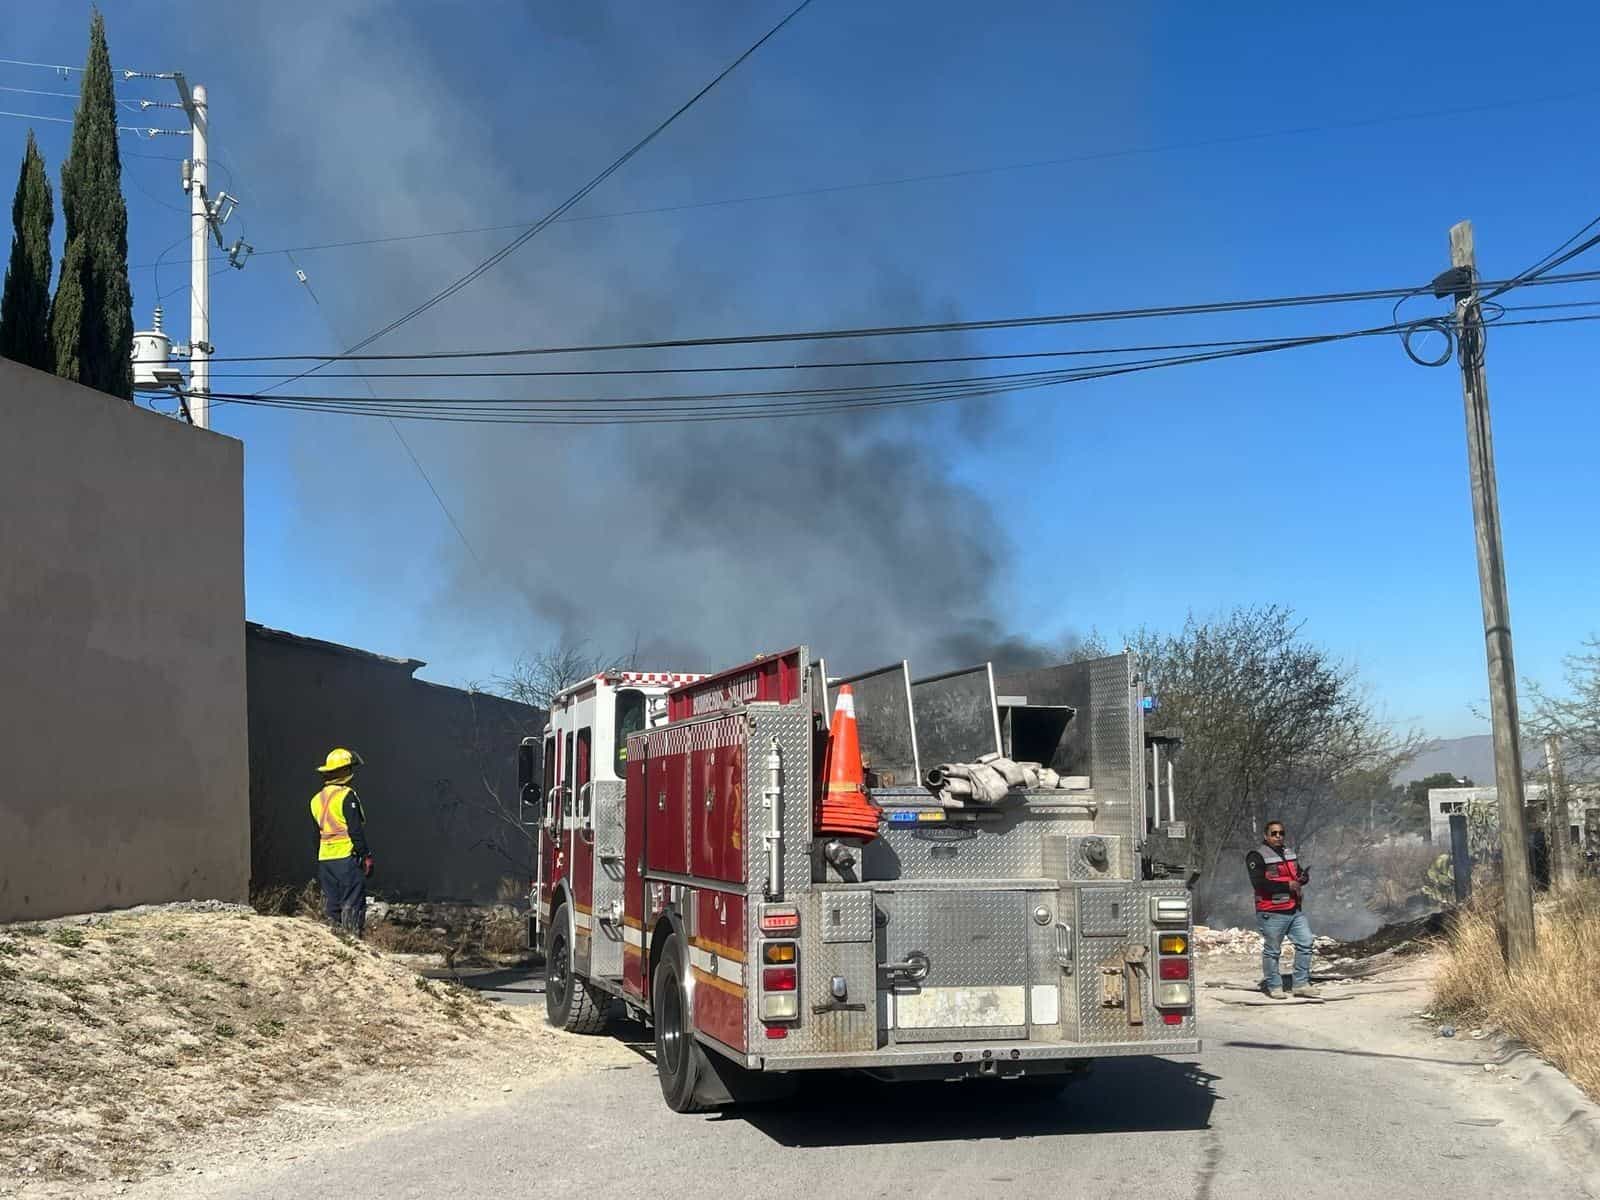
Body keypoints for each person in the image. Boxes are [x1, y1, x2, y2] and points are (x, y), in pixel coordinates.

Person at [1245, 820, 1320, 999]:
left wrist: (1303, 878)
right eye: (1274, 833)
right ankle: (1274, 986)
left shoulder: (1289, 852)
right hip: (1271, 911)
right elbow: (1259, 883)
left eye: (1281, 833)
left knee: (1306, 943)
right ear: (1266, 836)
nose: (1278, 836)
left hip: (1295, 909)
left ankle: (1301, 984)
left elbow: (1298, 874)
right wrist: (1288, 885)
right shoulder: (1256, 855)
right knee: (1272, 951)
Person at [311, 747, 374, 936]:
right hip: (347, 858)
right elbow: (355, 830)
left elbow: (316, 835)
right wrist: (366, 855)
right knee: (353, 904)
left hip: (325, 859)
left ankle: (336, 945)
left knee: (332, 906)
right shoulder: (347, 796)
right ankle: (354, 945)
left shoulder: (316, 800)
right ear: (345, 771)